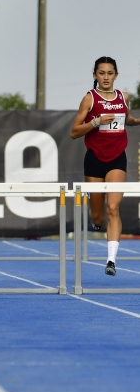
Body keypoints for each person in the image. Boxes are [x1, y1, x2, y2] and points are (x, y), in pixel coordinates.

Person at [70, 57, 140, 276]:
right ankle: (97, 222)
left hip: (117, 158)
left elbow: (125, 118)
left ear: (116, 75)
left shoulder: (123, 97)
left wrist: (135, 121)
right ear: (95, 75)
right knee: (98, 216)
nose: (106, 77)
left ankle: (111, 260)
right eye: (102, 73)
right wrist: (96, 122)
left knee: (113, 208)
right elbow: (74, 132)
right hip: (95, 159)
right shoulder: (89, 99)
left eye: (110, 73)